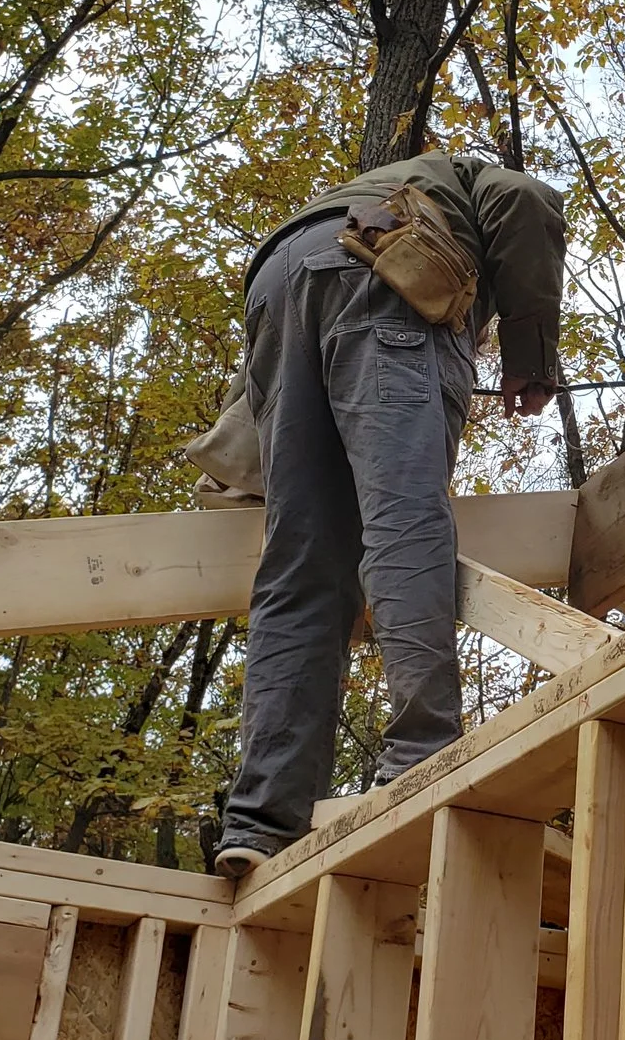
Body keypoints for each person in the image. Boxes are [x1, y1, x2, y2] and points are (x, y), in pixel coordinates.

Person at [204, 144, 568, 878]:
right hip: (387, 267)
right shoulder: (464, 175)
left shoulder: (337, 206)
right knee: (404, 521)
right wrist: (529, 350)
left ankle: (261, 818)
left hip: (273, 283)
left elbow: (272, 405)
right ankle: (422, 753)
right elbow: (528, 199)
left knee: (304, 563)